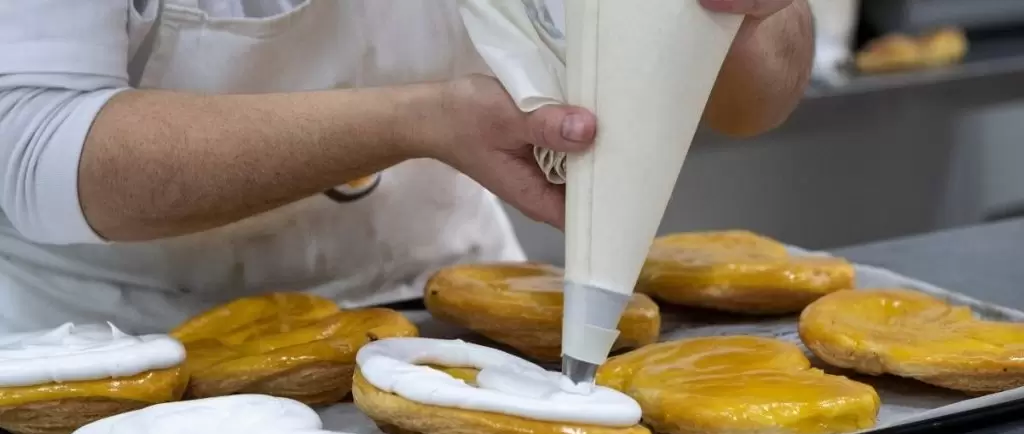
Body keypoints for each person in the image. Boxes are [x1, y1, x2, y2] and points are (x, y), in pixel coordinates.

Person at [0, 0, 812, 334]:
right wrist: (417, 120)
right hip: (121, 342)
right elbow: (34, 149)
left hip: (447, 318)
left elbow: (757, 97)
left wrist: (741, 21)